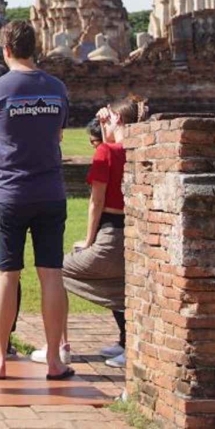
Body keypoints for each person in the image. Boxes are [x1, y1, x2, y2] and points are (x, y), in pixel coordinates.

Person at [0, 20, 72, 382]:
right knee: (51, 274)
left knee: (6, 275)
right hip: (49, 191)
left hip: (9, 192)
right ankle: (55, 361)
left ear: (6, 50)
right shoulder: (56, 88)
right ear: (36, 47)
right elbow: (58, 135)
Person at [57, 97, 147, 369]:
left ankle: (59, 347)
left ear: (117, 120)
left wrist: (87, 240)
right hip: (133, 234)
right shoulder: (140, 147)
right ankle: (125, 342)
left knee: (54, 272)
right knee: (120, 285)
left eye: (106, 120)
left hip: (109, 235)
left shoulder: (106, 152)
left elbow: (96, 202)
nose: (101, 125)